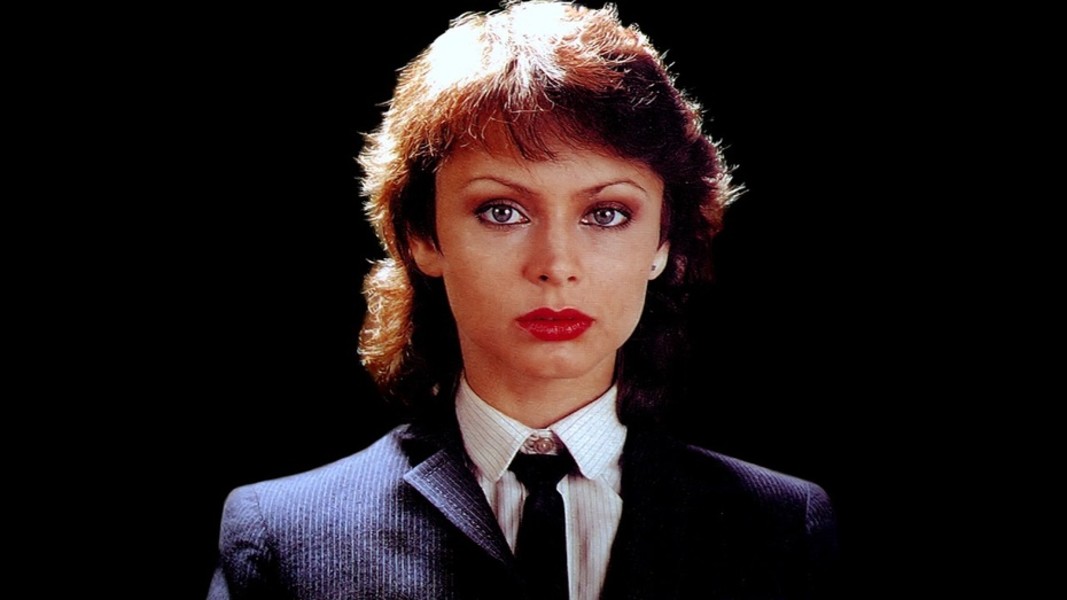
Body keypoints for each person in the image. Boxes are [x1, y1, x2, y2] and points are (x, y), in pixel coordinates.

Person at [207, 1, 839, 598]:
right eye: (502, 211)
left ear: (662, 242)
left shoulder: (782, 529)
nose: (555, 266)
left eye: (607, 213)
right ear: (422, 236)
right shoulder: (285, 537)